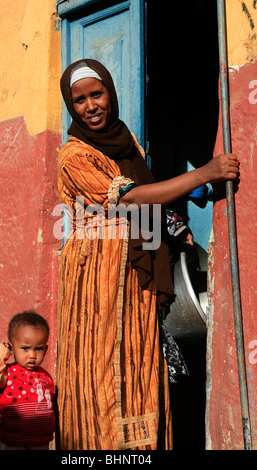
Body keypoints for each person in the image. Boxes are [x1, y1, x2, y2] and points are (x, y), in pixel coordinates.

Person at [57, 59, 239, 450]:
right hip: (98, 279)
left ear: (111, 92)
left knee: (139, 363)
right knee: (100, 364)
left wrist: (173, 227)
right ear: (70, 106)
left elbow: (148, 189)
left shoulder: (127, 141)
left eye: (97, 94)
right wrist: (203, 174)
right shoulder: (74, 156)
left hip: (136, 277)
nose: (90, 106)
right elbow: (132, 197)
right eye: (79, 100)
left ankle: (141, 449)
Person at [0, 310, 55, 450]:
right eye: (25, 348)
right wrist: (3, 350)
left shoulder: (46, 377)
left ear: (46, 349)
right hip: (13, 442)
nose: (32, 355)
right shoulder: (7, 374)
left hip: (41, 442)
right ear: (12, 347)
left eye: (38, 349)